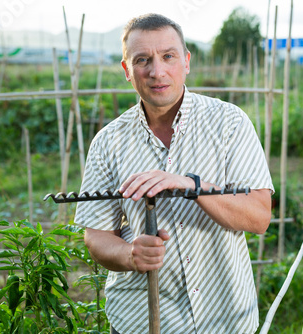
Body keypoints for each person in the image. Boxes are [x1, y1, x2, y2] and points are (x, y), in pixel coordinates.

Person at [75, 13, 274, 334]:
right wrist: (130, 254)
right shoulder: (108, 142)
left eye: (168, 56)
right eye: (143, 60)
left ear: (186, 61)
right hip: (140, 320)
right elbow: (96, 236)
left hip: (224, 319)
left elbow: (259, 217)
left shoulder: (230, 124)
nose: (157, 71)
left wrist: (192, 186)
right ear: (127, 70)